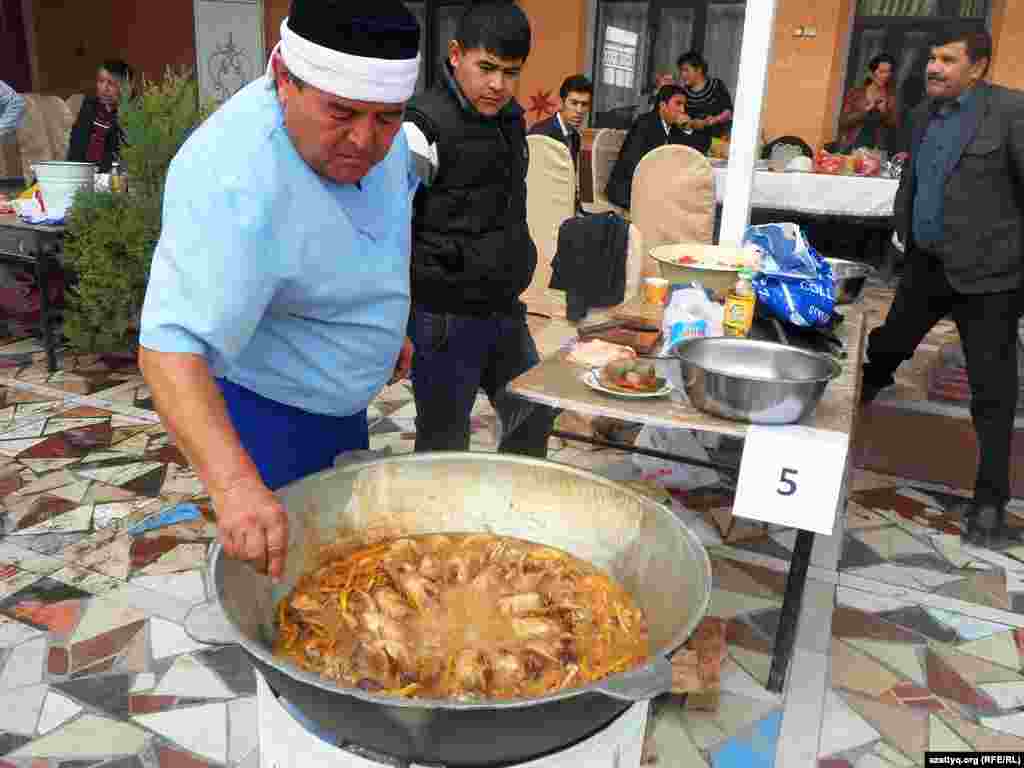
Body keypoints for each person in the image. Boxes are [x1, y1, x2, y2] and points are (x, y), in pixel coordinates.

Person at [138, 0, 422, 580]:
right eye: (342, 112)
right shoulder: (232, 175)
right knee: (292, 592)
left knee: (343, 562)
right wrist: (236, 485)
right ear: (284, 79)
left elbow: (375, 229)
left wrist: (384, 327)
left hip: (343, 406)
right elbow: (168, 349)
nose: (366, 141)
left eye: (387, 118)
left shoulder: (377, 138)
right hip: (268, 418)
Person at [861, 29, 1024, 548]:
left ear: (977, 68)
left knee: (992, 393)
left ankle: (990, 502)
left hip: (990, 279)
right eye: (931, 58)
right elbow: (914, 182)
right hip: (927, 268)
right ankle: (828, 436)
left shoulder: (1012, 113)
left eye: (947, 60)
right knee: (885, 350)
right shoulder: (922, 114)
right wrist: (901, 242)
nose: (934, 67)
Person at [402, 1, 555, 457]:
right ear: (455, 55)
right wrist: (396, 324)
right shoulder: (420, 128)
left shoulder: (510, 118)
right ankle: (438, 525)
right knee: (444, 440)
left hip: (504, 309)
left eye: (511, 72)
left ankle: (512, 512)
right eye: (485, 67)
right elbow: (391, 230)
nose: (497, 85)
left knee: (533, 410)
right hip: (444, 318)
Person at [606, 84, 707, 211]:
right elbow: (633, 163)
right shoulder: (645, 123)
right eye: (678, 104)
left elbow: (696, 152)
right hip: (628, 188)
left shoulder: (675, 128)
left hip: (656, 188)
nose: (682, 110)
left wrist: (687, 128)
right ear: (662, 105)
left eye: (684, 105)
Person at [67, 59, 133, 172]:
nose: (104, 88)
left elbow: (125, 155)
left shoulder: (133, 113)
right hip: (81, 174)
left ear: (126, 86)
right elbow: (75, 145)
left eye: (111, 83)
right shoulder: (89, 107)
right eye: (101, 81)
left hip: (113, 176)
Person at [837, 53, 901, 151]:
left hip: (876, 151)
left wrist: (884, 112)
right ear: (871, 73)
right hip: (852, 147)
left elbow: (895, 126)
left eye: (888, 72)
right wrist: (865, 110)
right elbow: (843, 121)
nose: (885, 76)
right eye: (882, 72)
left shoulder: (891, 96)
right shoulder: (856, 93)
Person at [529, 74, 592, 170]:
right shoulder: (541, 133)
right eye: (574, 103)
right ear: (561, 102)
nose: (579, 110)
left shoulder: (575, 137)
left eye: (584, 104)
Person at [677, 51, 733, 143]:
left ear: (699, 70)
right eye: (681, 71)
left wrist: (713, 120)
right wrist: (691, 123)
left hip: (717, 140)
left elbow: (728, 112)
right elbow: (681, 119)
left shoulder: (716, 85)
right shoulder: (683, 92)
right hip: (694, 142)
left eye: (686, 70)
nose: (683, 74)